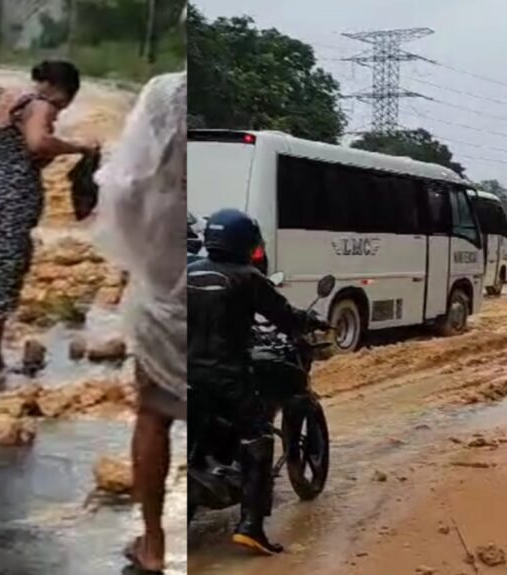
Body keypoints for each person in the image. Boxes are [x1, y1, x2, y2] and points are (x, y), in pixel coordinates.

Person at [0, 60, 98, 390]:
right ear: (65, 93)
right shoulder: (39, 106)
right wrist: (77, 147)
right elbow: (38, 144)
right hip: (9, 205)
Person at [188, 208, 324, 555]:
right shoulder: (247, 278)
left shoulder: (188, 272)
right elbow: (283, 316)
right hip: (228, 376)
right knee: (259, 439)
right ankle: (251, 526)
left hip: (185, 372)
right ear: (244, 242)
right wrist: (309, 322)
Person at [93, 70, 187, 573]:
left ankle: (153, 543)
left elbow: (120, 191)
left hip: (162, 297)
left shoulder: (166, 94)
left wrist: (145, 262)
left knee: (154, 415)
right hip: (216, 300)